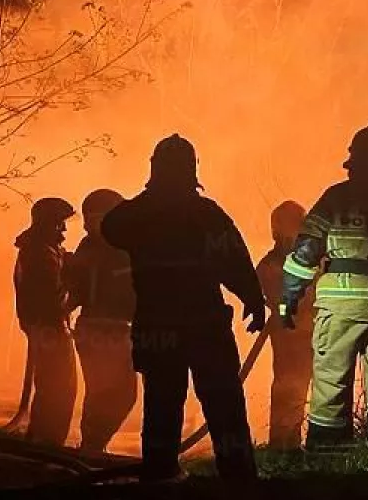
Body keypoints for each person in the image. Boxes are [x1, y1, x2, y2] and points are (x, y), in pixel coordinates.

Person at [101, 134, 264, 482]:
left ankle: (160, 476)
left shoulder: (139, 217)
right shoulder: (207, 215)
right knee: (224, 405)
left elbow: (112, 227)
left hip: (158, 328)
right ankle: (238, 479)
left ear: (154, 170)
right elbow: (233, 259)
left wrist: (151, 198)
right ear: (193, 171)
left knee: (161, 404)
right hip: (206, 328)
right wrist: (252, 297)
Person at [279, 123, 368, 466]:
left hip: (338, 306)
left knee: (331, 377)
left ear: (354, 164)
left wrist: (288, 298)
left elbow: (305, 251)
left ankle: (328, 460)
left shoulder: (335, 199)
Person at [64, 188, 138, 456]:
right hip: (105, 330)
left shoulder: (99, 247)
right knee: (111, 393)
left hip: (105, 330)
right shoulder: (120, 249)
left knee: (109, 393)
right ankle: (92, 448)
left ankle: (92, 446)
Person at [14, 197, 78, 447]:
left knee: (53, 386)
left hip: (44, 327)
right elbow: (52, 297)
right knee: (59, 388)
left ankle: (43, 441)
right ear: (47, 223)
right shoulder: (40, 255)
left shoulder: (40, 250)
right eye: (59, 223)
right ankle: (47, 445)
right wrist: (74, 279)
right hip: (49, 328)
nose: (64, 229)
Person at [256, 201, 315, 450]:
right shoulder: (270, 266)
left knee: (310, 391)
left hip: (313, 337)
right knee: (289, 390)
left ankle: (304, 445)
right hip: (290, 340)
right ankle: (283, 445)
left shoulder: (311, 260)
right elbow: (278, 301)